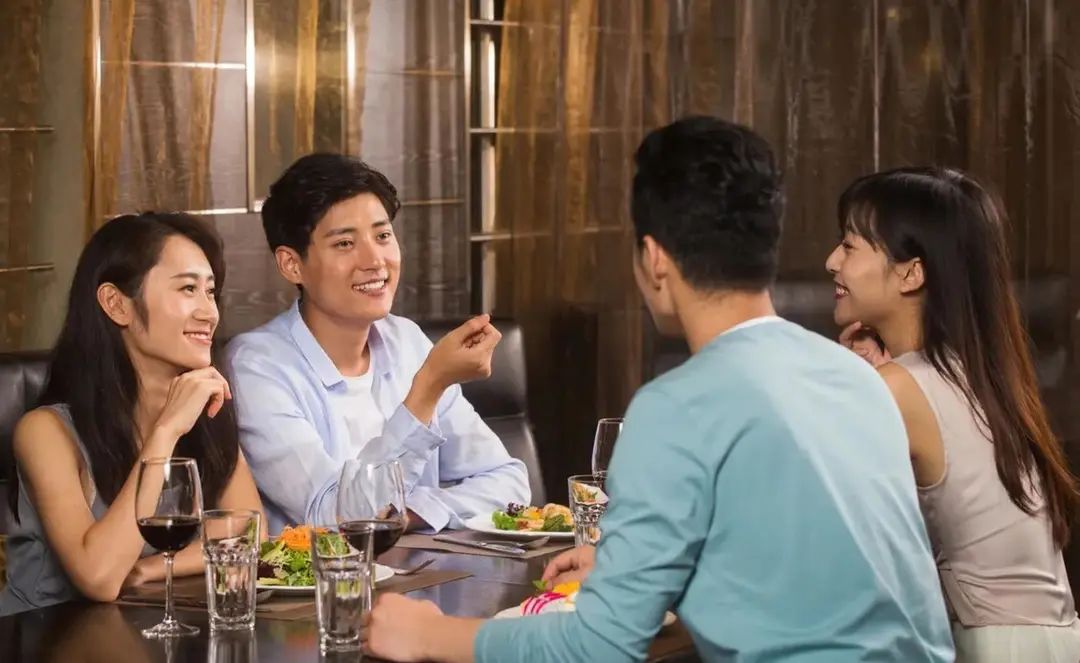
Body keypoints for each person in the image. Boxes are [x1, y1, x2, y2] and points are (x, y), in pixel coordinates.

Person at [361, 117, 955, 662]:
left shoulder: (675, 407)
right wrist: (639, 572)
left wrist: (429, 635)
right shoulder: (854, 376)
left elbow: (599, 646)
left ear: (655, 260)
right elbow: (797, 569)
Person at [826, 167, 1080, 661]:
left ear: (911, 273)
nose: (832, 261)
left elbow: (835, 534)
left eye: (850, 245)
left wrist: (865, 383)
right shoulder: (980, 372)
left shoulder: (899, 388)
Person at [225, 154, 529, 534]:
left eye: (383, 236)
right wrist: (428, 386)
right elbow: (333, 515)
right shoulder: (258, 366)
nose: (375, 261)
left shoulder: (407, 341)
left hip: (422, 570)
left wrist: (408, 513)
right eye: (345, 243)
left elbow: (507, 481)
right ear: (292, 264)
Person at [0, 212, 265, 615]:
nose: (209, 312)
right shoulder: (45, 432)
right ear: (117, 305)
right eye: (188, 288)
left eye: (210, 292)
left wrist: (147, 570)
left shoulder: (204, 411)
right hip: (43, 635)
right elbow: (99, 576)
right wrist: (166, 431)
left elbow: (249, 531)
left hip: (137, 631)